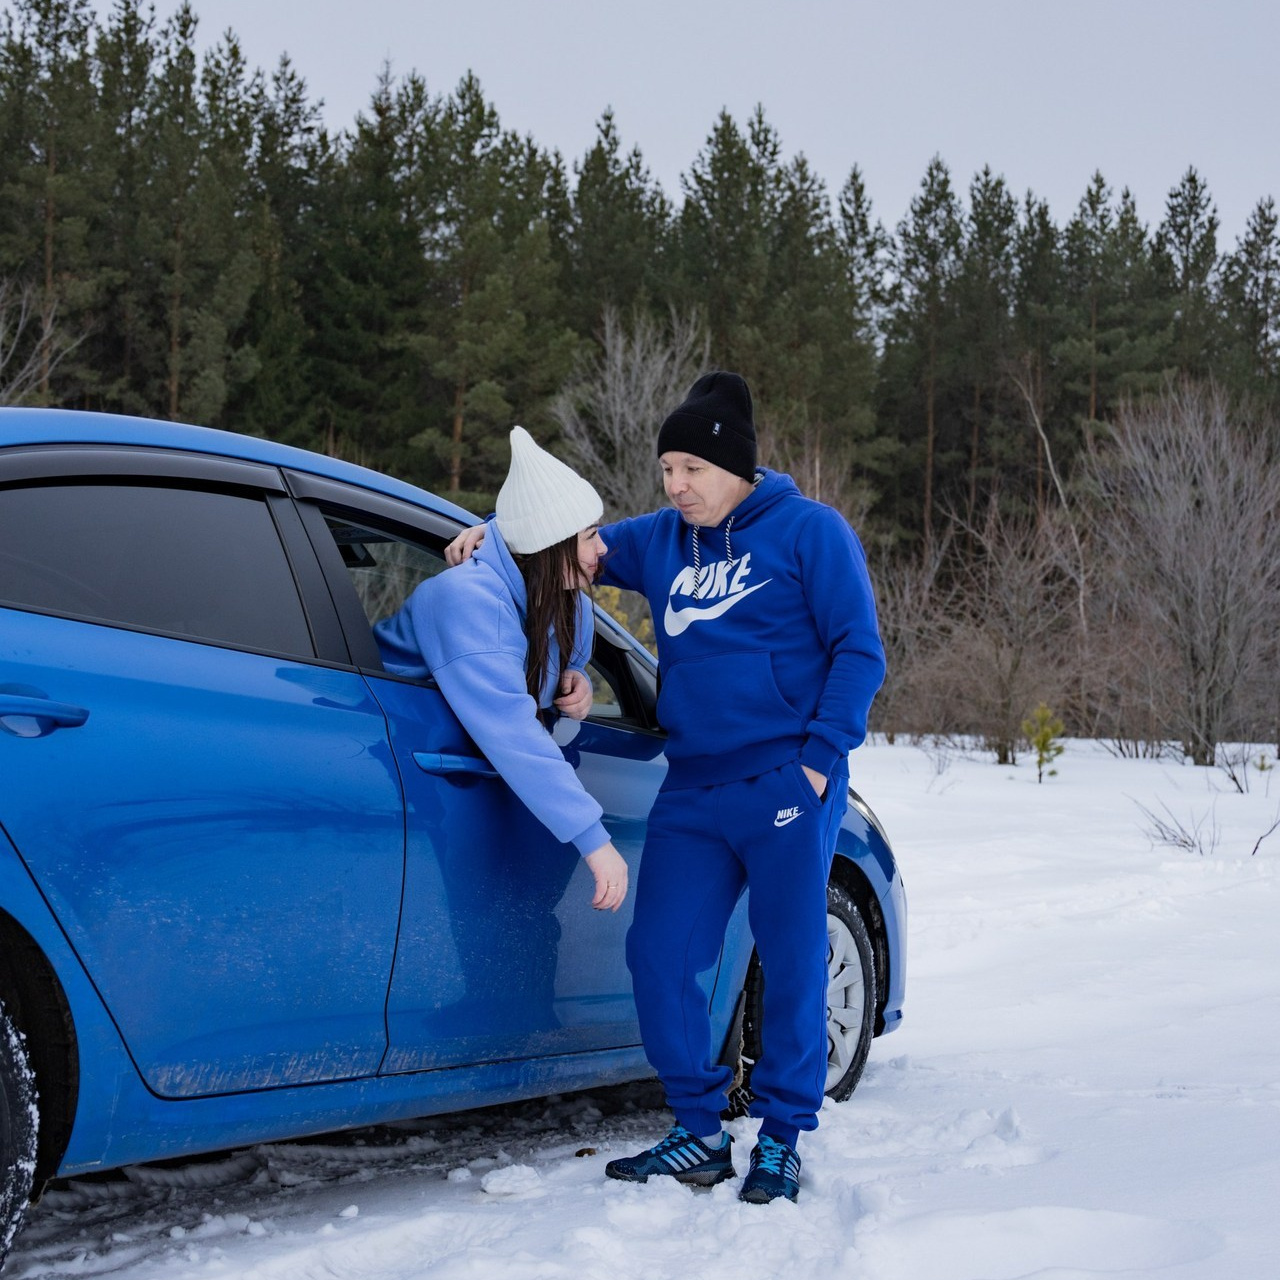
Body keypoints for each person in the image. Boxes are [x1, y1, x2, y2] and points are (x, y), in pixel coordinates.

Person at [448, 373, 885, 1204]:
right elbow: (568, 543)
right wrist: (492, 537)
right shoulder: (662, 539)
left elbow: (859, 652)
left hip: (787, 783)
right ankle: (699, 1130)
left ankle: (784, 1136)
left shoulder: (809, 534)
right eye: (666, 471)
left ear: (734, 465)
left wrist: (820, 761)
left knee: (790, 960)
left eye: (689, 468)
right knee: (661, 954)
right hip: (694, 787)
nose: (674, 486)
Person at [375, 425, 629, 912]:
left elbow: (561, 658)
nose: (603, 550)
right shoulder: (468, 602)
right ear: (549, 545)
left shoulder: (563, 593)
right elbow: (510, 727)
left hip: (460, 766)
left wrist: (574, 680)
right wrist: (594, 841)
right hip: (403, 765)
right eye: (591, 536)